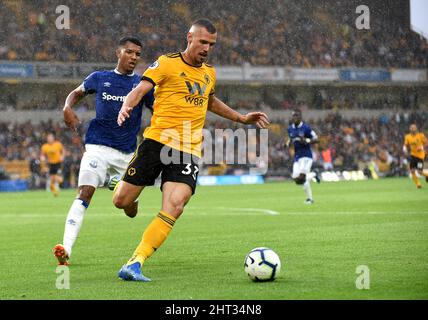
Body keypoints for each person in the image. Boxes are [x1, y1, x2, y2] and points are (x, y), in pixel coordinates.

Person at [112, 19, 270, 282]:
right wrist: (126, 106)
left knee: (175, 206)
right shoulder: (167, 63)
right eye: (203, 42)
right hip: (157, 142)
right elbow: (140, 89)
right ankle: (123, 187)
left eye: (212, 44)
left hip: (187, 150)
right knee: (122, 201)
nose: (207, 48)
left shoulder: (210, 73)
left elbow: (209, 100)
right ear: (190, 38)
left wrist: (241, 119)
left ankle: (135, 262)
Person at [52, 36, 154, 266]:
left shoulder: (142, 85)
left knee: (129, 210)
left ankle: (119, 187)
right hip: (97, 147)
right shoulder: (99, 78)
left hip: (127, 155)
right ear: (118, 52)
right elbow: (76, 93)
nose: (134, 57)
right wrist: (67, 107)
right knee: (84, 193)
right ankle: (65, 248)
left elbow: (157, 111)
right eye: (129, 52)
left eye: (137, 54)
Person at [285, 109, 320, 204]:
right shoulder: (290, 129)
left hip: (306, 156)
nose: (295, 118)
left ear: (300, 117)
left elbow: (316, 139)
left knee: (302, 178)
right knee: (297, 180)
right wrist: (287, 143)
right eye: (293, 116)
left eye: (296, 116)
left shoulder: (306, 128)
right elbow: (290, 139)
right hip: (297, 157)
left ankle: (310, 199)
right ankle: (314, 174)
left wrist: (307, 141)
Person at [403, 123, 428, 189]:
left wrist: (421, 147)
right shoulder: (407, 136)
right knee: (412, 170)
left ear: (416, 129)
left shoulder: (420, 135)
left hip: (420, 156)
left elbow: (426, 143)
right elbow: (405, 144)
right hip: (413, 156)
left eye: (413, 127)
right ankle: (418, 184)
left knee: (419, 172)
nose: (412, 129)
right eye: (411, 127)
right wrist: (404, 149)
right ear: (409, 129)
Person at [40, 133, 64, 197]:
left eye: (51, 138)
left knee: (59, 179)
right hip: (51, 164)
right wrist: (42, 158)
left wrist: (62, 156)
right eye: (48, 138)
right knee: (52, 179)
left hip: (58, 163)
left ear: (53, 138)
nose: (50, 139)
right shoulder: (45, 146)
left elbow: (63, 151)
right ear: (47, 139)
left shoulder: (58, 144)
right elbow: (42, 155)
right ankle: (55, 192)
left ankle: (55, 188)